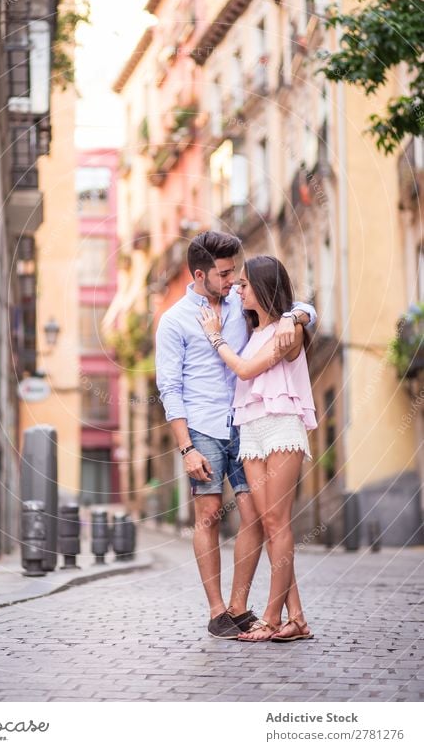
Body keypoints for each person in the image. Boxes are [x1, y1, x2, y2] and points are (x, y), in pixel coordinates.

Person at [155, 232, 316, 639]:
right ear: (199, 274)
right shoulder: (174, 321)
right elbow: (170, 389)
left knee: (260, 517)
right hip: (203, 426)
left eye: (236, 276)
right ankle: (217, 611)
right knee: (208, 515)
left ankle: (240, 605)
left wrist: (300, 317)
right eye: (225, 275)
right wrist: (186, 447)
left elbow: (286, 301)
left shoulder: (242, 306)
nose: (232, 282)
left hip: (247, 425)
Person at [198, 254, 317, 642]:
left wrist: (215, 337)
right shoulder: (254, 334)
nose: (238, 289)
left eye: (245, 284)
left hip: (281, 425)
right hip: (250, 430)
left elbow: (246, 371)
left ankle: (269, 616)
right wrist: (298, 312)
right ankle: (295, 617)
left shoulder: (289, 332)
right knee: (268, 523)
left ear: (263, 287)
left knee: (277, 522)